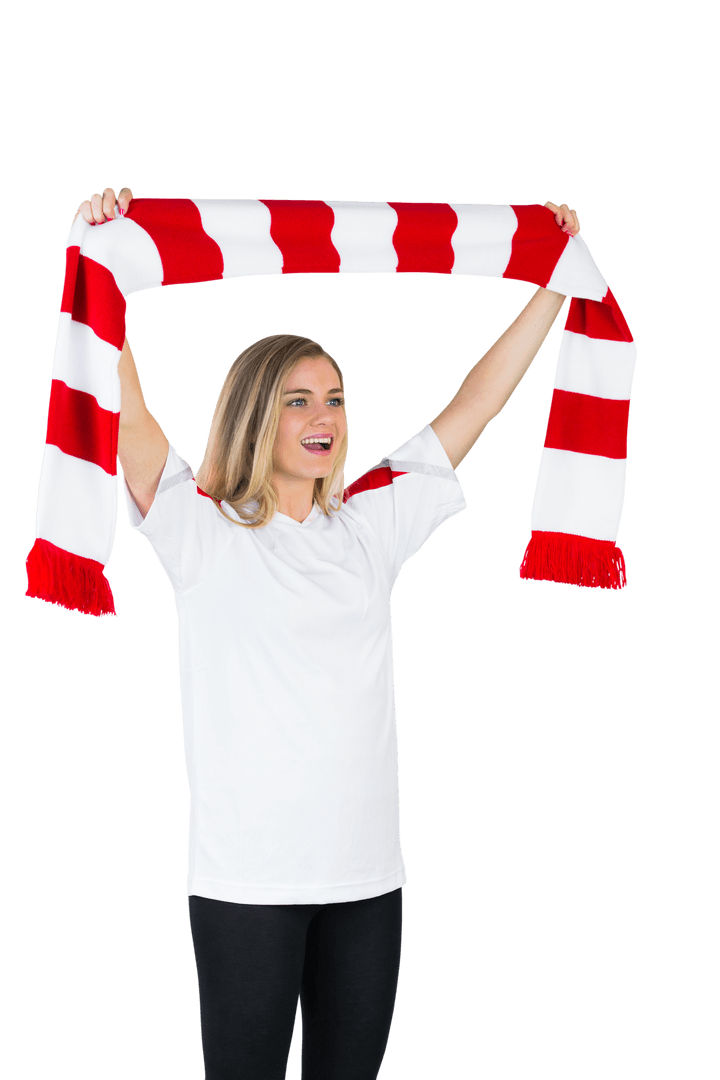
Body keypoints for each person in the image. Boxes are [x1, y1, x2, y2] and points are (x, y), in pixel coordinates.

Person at [74, 186, 581, 1080]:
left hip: (369, 883)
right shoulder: (197, 524)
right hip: (247, 887)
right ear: (254, 415)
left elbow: (478, 402)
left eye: (337, 399)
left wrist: (553, 281)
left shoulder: (371, 524)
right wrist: (96, 250)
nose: (325, 418)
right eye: (299, 400)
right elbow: (128, 407)